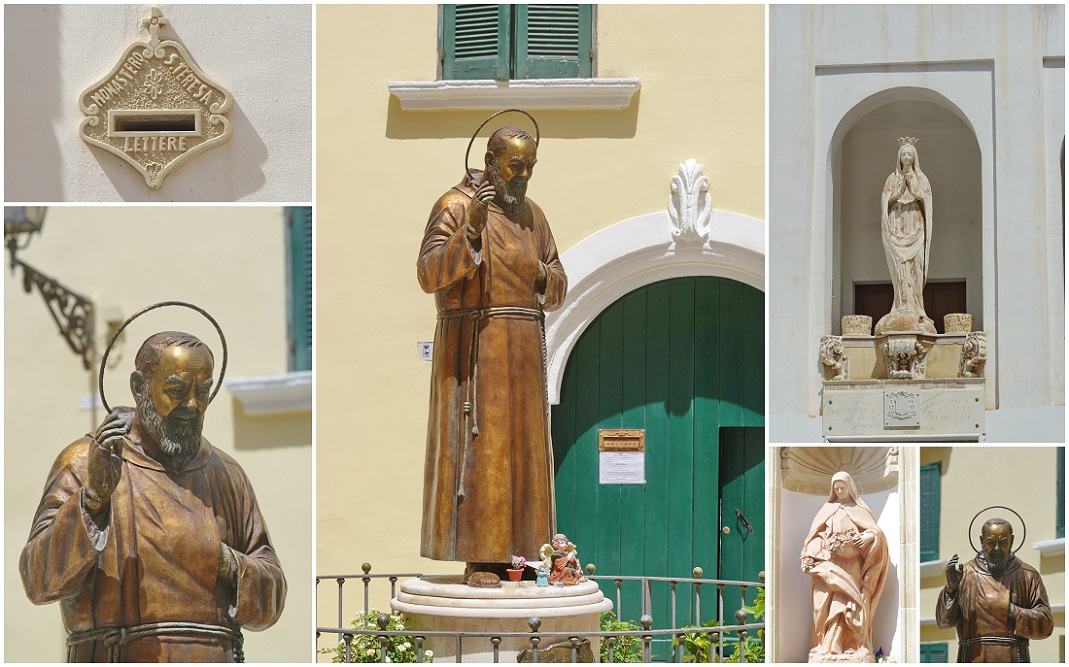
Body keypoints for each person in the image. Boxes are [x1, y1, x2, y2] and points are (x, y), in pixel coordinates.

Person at [20, 331, 286, 661]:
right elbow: (37, 579)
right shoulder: (85, 462)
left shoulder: (228, 476)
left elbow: (273, 589)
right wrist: (93, 502)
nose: (191, 405)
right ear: (138, 387)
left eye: (202, 392)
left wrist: (224, 562)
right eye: (176, 390)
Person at [417, 124, 567, 581]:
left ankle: (520, 553)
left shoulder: (534, 216)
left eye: (529, 168)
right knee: (484, 445)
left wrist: (539, 272)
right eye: (514, 166)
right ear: (490, 162)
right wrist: (473, 236)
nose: (522, 177)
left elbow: (558, 282)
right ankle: (481, 555)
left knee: (524, 449)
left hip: (522, 346)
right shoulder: (456, 205)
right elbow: (428, 274)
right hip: (476, 346)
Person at [800, 471, 889, 662]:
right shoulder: (827, 509)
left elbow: (877, 535)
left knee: (851, 603)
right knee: (826, 605)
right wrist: (815, 552)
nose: (840, 491)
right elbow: (816, 536)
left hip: (853, 564)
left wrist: (871, 536)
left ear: (850, 488)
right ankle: (828, 645)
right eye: (836, 488)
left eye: (843, 487)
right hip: (831, 563)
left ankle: (852, 645)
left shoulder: (860, 510)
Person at [936, 518, 1053, 662]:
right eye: (991, 542)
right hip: (972, 658)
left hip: (1013, 658)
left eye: (1003, 542)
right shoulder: (964, 574)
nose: (997, 548)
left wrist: (1010, 610)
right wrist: (952, 590)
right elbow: (943, 622)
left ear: (1012, 541)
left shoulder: (1028, 575)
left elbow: (1046, 624)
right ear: (982, 541)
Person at [875, 138, 935, 335]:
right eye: (904, 154)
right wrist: (899, 191)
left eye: (910, 154)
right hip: (898, 226)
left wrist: (914, 190)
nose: (907, 157)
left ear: (914, 157)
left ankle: (917, 309)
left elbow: (926, 198)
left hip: (915, 225)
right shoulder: (892, 178)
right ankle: (901, 306)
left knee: (915, 269)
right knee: (900, 269)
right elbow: (886, 200)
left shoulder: (921, 177)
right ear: (899, 157)